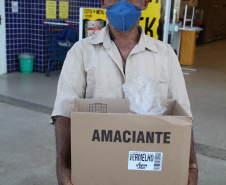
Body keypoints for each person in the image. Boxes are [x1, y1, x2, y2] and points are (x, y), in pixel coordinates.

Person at [51, 0, 198, 184]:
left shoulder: (165, 55)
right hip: (96, 169)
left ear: (144, 3)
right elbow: (65, 113)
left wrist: (191, 165)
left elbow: (183, 116)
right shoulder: (80, 52)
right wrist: (63, 167)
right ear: (103, 1)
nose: (123, 2)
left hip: (150, 173)